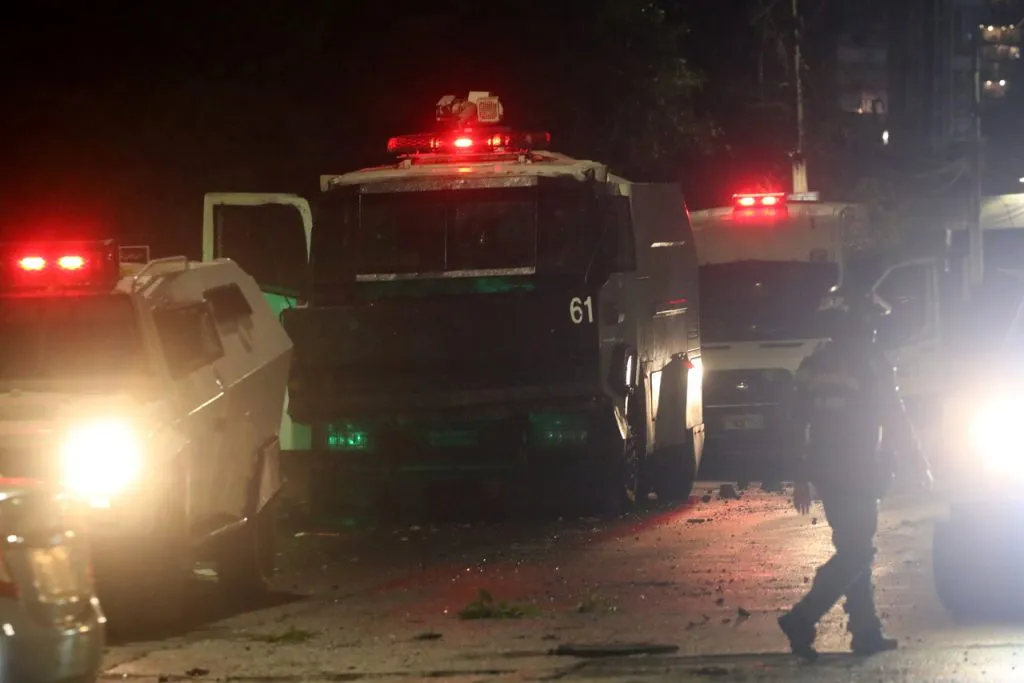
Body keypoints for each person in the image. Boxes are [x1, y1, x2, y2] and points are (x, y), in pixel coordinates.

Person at [777, 291, 933, 661]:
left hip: (827, 472)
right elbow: (895, 417)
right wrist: (918, 462)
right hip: (860, 470)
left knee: (851, 548)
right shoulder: (871, 363)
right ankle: (802, 617)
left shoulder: (814, 364)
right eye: (873, 326)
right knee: (859, 551)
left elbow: (795, 423)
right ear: (863, 327)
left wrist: (801, 474)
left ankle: (865, 632)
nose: (877, 333)